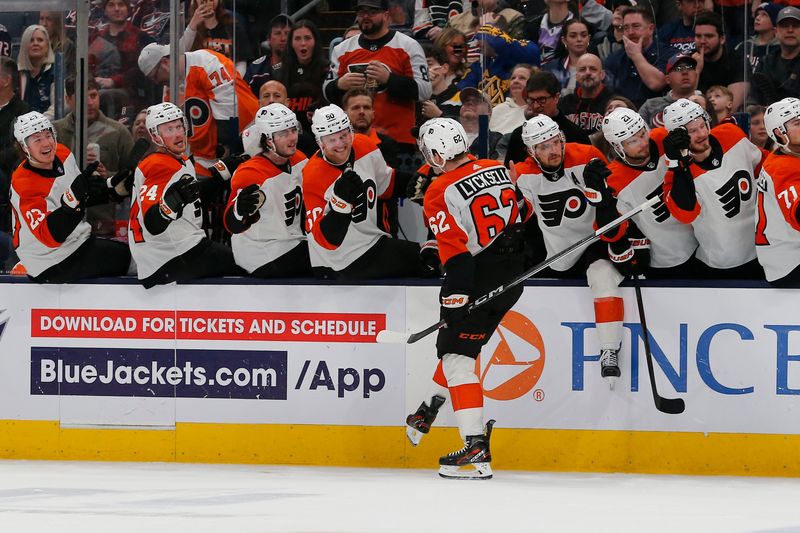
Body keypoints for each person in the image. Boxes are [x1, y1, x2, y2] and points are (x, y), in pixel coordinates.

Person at [406, 117, 525, 480]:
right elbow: (523, 214)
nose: (427, 159)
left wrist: (452, 301)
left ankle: (475, 448)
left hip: (476, 276)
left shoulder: (437, 190)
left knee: (457, 358)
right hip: (513, 275)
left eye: (430, 153)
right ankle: (427, 410)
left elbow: (456, 255)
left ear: (440, 153)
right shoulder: (496, 168)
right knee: (458, 348)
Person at [514, 114, 629, 384]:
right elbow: (522, 214)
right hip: (559, 252)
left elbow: (613, 198)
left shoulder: (586, 154)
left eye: (556, 142)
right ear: (532, 151)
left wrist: (601, 186)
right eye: (544, 146)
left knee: (602, 275)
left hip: (594, 239)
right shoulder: (523, 173)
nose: (554, 150)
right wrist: (515, 197)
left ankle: (609, 349)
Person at [302, 104, 425, 280]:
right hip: (337, 261)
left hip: (370, 243)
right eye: (331, 140)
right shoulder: (313, 175)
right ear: (320, 142)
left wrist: (418, 183)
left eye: (343, 135)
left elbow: (387, 184)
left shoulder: (365, 145)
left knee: (428, 256)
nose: (340, 144)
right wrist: (340, 206)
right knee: (425, 260)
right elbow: (325, 241)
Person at [9, 111, 131, 282]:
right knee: (133, 260)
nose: (46, 143)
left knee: (131, 253)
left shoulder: (63, 153)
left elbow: (79, 197)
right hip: (46, 260)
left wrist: (111, 190)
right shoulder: (24, 185)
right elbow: (50, 237)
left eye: (48, 135)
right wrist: (72, 201)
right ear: (24, 147)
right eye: (37, 139)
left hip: (76, 241)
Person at [129, 102, 241, 288]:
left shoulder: (177, 159)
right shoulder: (159, 165)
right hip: (169, 255)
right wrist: (169, 205)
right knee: (245, 263)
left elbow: (193, 195)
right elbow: (152, 222)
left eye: (179, 126)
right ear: (156, 135)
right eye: (169, 129)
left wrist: (221, 172)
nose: (178, 134)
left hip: (174, 249)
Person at [662, 98, 764, 279]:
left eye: (702, 125)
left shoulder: (731, 134)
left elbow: (763, 165)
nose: (701, 134)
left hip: (762, 251)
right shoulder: (677, 176)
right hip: (720, 264)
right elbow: (686, 214)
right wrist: (678, 165)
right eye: (692, 131)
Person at [325, 0, 432, 173]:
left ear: (386, 15)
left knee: (396, 196)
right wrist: (339, 84)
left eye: (371, 12)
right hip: (353, 141)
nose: (365, 17)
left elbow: (425, 91)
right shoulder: (343, 49)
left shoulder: (408, 45)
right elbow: (326, 91)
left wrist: (389, 79)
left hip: (399, 142)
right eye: (361, 12)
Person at [601, 107, 700, 278]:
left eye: (642, 134)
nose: (642, 143)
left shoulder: (663, 138)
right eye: (632, 141)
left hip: (703, 246)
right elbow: (613, 231)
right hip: (665, 262)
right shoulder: (613, 179)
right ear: (618, 147)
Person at [137, 43, 259, 177]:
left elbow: (230, 109)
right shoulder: (170, 90)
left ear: (165, 63)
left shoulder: (206, 62)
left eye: (155, 75)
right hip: (205, 156)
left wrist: (226, 146)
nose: (156, 82)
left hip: (247, 138)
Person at [224, 103, 311, 278]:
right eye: (283, 134)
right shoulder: (250, 172)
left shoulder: (299, 159)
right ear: (268, 140)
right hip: (260, 252)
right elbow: (231, 224)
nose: (292, 137)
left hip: (290, 243)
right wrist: (239, 210)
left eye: (293, 130)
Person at [53, 76, 135, 238]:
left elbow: (135, 178)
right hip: (63, 222)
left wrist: (108, 176)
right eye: (83, 97)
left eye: (93, 95)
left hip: (104, 225)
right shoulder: (55, 132)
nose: (89, 102)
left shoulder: (118, 132)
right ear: (68, 100)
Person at [342, 88, 401, 236]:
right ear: (345, 113)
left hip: (382, 228)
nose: (361, 112)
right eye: (355, 107)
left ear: (373, 113)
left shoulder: (387, 144)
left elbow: (387, 185)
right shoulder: (336, 147)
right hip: (347, 227)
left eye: (366, 107)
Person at [503, 71, 591, 168]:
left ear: (556, 98)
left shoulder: (576, 135)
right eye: (531, 100)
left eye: (542, 100)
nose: (536, 106)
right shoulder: (519, 136)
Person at [755, 97, 800, 286]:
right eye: (798, 123)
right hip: (789, 263)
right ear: (779, 133)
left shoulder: (784, 152)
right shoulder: (784, 168)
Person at [603, 6, 675, 108]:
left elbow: (656, 83)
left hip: (657, 116)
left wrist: (636, 55)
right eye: (626, 28)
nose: (630, 32)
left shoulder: (668, 54)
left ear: (651, 29)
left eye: (636, 26)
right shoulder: (613, 59)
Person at [457, 23, 541, 108]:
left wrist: (493, 36)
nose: (478, 43)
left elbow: (534, 52)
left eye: (481, 37)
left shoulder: (517, 54)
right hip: (485, 117)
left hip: (515, 111)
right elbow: (463, 89)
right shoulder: (478, 66)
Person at [273, 20, 330, 134]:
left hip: (321, 130)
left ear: (315, 41)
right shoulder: (281, 70)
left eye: (307, 38)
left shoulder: (327, 68)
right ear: (291, 43)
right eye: (297, 39)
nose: (303, 43)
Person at [691, 12, 747, 112]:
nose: (702, 41)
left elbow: (731, 106)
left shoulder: (736, 60)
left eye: (709, 36)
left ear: (722, 39)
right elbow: (685, 104)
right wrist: (696, 71)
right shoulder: (689, 60)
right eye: (698, 36)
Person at [183, 0, 252, 74]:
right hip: (196, 80)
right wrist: (192, 26)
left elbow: (240, 63)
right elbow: (179, 54)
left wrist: (234, 82)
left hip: (226, 79)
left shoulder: (233, 28)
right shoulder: (186, 26)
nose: (207, 1)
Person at [557, 53, 615, 136]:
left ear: (602, 75)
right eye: (582, 69)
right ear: (576, 76)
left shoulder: (613, 103)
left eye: (593, 69)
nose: (587, 73)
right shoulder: (564, 103)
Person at [752, 6, 800, 106]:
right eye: (784, 26)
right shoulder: (765, 63)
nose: (790, 30)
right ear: (776, 32)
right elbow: (753, 99)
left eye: (795, 26)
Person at [639, 52, 699, 129]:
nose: (685, 72)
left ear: (696, 74)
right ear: (667, 79)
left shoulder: (707, 103)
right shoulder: (650, 106)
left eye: (689, 67)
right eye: (678, 68)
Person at [244, 14, 291, 97]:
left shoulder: (301, 65)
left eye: (287, 33)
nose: (283, 38)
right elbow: (245, 99)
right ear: (269, 39)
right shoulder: (256, 69)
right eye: (278, 33)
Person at [542, 18, 591, 94]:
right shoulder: (550, 68)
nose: (579, 39)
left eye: (583, 35)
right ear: (564, 40)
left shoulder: (599, 67)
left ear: (589, 38)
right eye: (573, 36)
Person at [17, 25, 55, 117]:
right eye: (31, 40)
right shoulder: (15, 73)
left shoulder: (56, 72)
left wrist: (38, 124)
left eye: (40, 40)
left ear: (47, 46)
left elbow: (58, 106)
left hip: (49, 126)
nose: (35, 43)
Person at [734, 2, 780, 74]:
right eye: (757, 14)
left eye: (764, 15)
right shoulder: (743, 46)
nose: (757, 18)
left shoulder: (781, 48)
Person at [419, 45, 461, 121]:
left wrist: (439, 115)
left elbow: (464, 128)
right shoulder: (416, 97)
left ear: (444, 68)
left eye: (429, 64)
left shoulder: (459, 97)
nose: (426, 71)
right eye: (422, 66)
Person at [489, 63, 533, 135]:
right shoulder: (497, 110)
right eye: (513, 78)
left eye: (522, 78)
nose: (515, 81)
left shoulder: (535, 112)